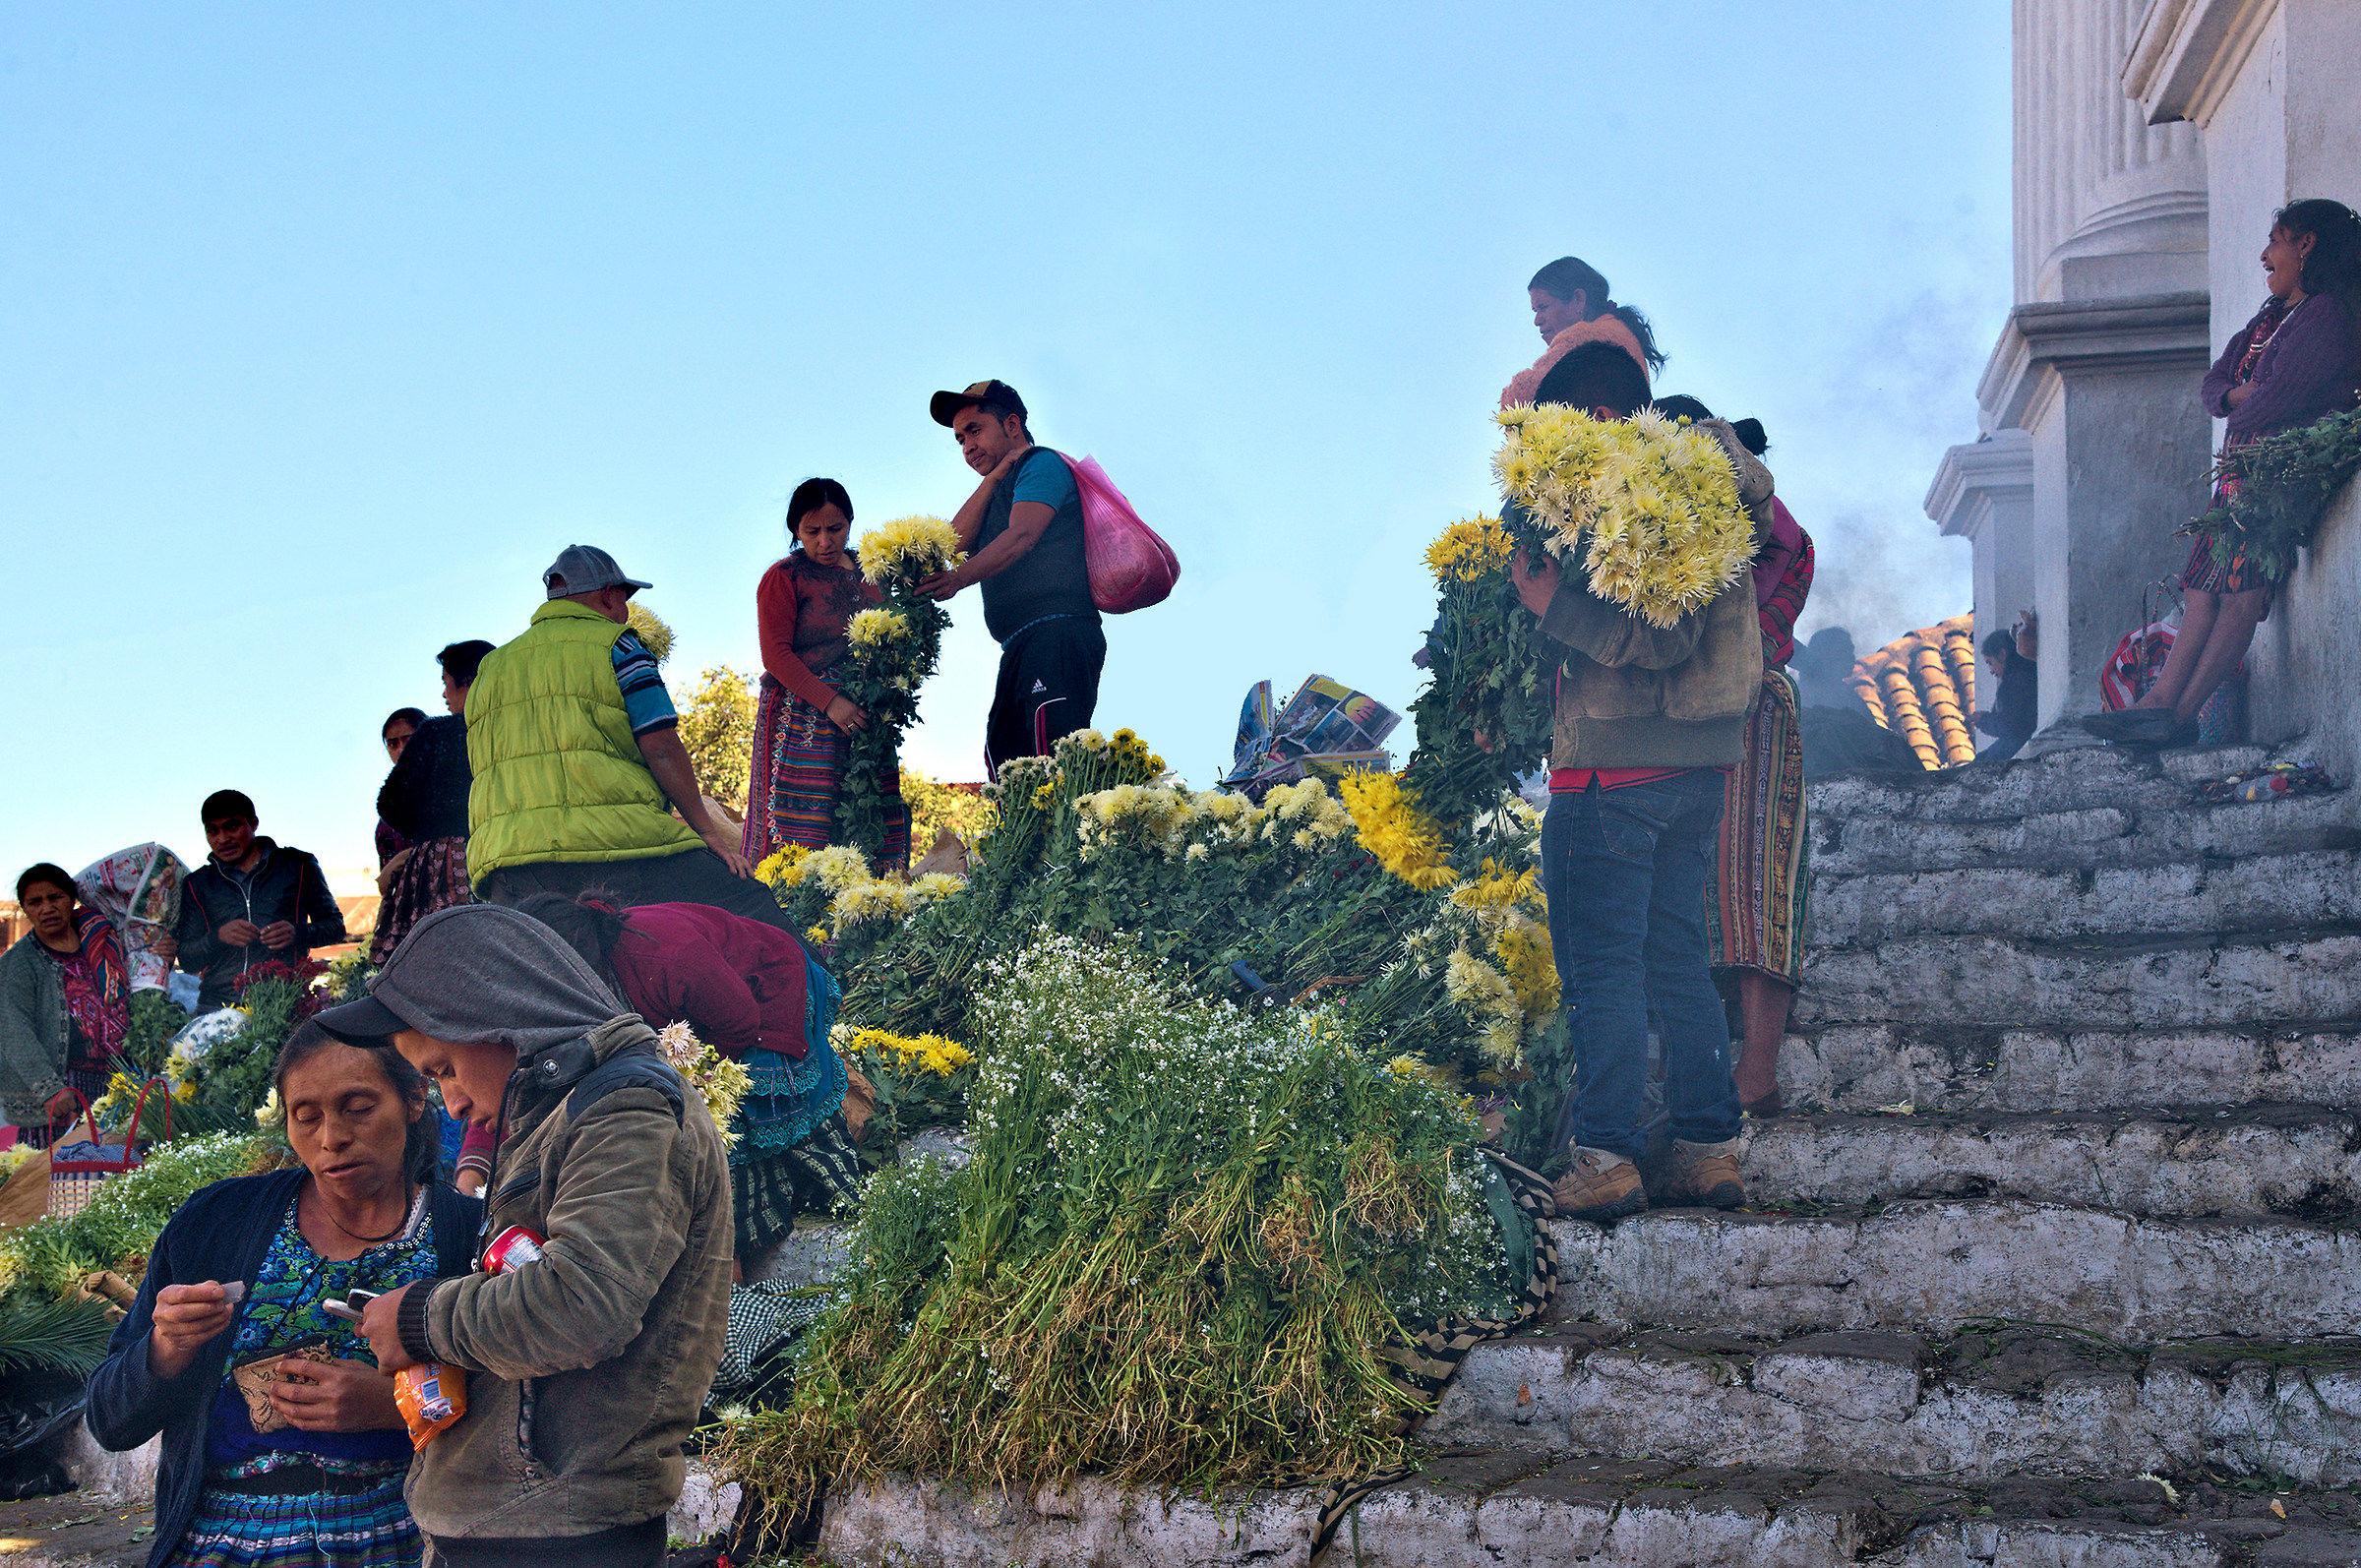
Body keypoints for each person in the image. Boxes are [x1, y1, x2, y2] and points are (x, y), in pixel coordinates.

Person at [314, 904, 729, 1568]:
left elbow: (582, 1306)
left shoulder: (627, 1110)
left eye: (445, 1067)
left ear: (501, 1020)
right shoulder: (558, 1114)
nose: (449, 1103)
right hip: (512, 1523)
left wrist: (420, 1318)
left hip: (561, 1533)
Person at [1506, 342, 1770, 1221]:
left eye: (1560, 431)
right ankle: (1704, 1148)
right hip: (1693, 769)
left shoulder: (1644, 488)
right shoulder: (1707, 483)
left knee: (1601, 973)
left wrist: (1554, 609)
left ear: (1599, 420)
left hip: (1613, 771)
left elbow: (1662, 640)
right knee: (1674, 963)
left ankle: (1607, 1154)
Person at [87, 1021, 481, 1568]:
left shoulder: (468, 1237)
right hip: (223, 1543)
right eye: (307, 1116)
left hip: (412, 1539)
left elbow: (525, 1404)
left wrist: (397, 1405)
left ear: (415, 1098)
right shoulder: (216, 1223)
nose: (330, 1138)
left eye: (358, 1107)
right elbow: (109, 1421)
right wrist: (166, 1348)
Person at [2086, 199, 2361, 745]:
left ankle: (2179, 714)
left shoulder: (2325, 317)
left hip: (2275, 482)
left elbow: (2278, 402)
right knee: (2201, 591)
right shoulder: (2269, 319)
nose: (2265, 255)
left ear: (2306, 246)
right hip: (2240, 479)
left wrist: (2244, 401)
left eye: (2275, 240)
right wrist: (2238, 394)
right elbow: (2215, 386)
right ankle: (2158, 702)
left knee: (2241, 594)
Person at [464, 544, 801, 935]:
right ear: (609, 595)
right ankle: (832, 996)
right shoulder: (617, 644)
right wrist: (710, 834)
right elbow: (660, 746)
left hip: (507, 869)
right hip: (612, 851)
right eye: (625, 598)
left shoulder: (489, 669)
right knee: (749, 908)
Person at [515, 893, 859, 1268]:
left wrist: (699, 1078)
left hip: (764, 988)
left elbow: (739, 1019)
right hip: (701, 1020)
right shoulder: (595, 978)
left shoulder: (666, 956)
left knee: (731, 1129)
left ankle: (755, 1241)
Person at [1654, 398, 1815, 1120]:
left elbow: (1745, 606)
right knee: (1696, 888)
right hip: (1684, 716)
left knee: (1754, 881)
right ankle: (1720, 1065)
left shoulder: (1757, 515)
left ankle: (1757, 1072)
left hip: (1751, 706)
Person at [917, 382, 1106, 778]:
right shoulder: (1002, 483)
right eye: (959, 439)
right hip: (1019, 644)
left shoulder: (1041, 464)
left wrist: (957, 580)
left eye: (976, 430)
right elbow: (949, 545)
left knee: (1053, 763)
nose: (967, 445)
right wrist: (990, 480)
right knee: (1007, 765)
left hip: (1057, 633)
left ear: (1013, 424)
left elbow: (1021, 536)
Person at [743, 478, 911, 869]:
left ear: (850, 523)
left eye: (835, 529)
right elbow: (776, 654)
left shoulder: (876, 576)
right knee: (799, 830)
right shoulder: (783, 577)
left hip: (867, 715)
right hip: (801, 714)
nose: (824, 542)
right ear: (795, 531)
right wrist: (831, 702)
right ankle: (783, 922)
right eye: (811, 531)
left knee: (869, 817)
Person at [371, 641, 493, 964]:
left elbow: (390, 802)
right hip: (499, 853)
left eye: (445, 683)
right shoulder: (511, 726)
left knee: (440, 958)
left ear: (468, 681)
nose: (444, 695)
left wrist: (430, 830)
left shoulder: (437, 734)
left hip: (443, 862)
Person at [167, 793, 346, 1010]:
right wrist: (218, 937)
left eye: (231, 827)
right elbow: (186, 960)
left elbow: (336, 927)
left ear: (253, 823)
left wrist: (297, 933)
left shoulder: (298, 866)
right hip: (217, 1008)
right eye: (212, 831)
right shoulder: (197, 884)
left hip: (285, 1004)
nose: (222, 839)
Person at [2, 864, 130, 1146]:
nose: (46, 908)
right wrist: (49, 1090)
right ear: (25, 910)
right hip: (64, 1093)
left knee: (120, 1175)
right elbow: (14, 1032)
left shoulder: (100, 940)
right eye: (35, 902)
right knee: (58, 1181)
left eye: (55, 897)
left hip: (118, 1081)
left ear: (71, 900)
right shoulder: (19, 963)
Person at [1501, 256, 1665, 410]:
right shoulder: (1618, 328)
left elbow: (1519, 401)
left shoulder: (1586, 335)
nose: (1537, 321)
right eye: (1535, 311)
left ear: (1578, 299)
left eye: (1543, 307)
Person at [1974, 611, 2039, 761]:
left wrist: (1983, 720)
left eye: (1990, 662)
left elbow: (2008, 725)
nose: (1991, 671)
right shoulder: (2027, 674)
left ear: (2003, 654)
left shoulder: (2016, 681)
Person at [374, 710, 427, 876]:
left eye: (408, 740)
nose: (401, 750)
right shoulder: (388, 805)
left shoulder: (450, 787)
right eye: (392, 744)